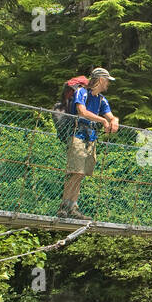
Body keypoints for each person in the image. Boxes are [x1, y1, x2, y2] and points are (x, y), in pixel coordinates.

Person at [58, 67, 118, 219]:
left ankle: (73, 207)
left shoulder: (102, 99)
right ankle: (64, 207)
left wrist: (114, 121)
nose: (108, 84)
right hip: (77, 133)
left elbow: (111, 116)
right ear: (100, 80)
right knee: (75, 171)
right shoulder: (82, 92)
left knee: (81, 174)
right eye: (107, 81)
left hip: (90, 137)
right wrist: (103, 120)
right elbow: (82, 111)